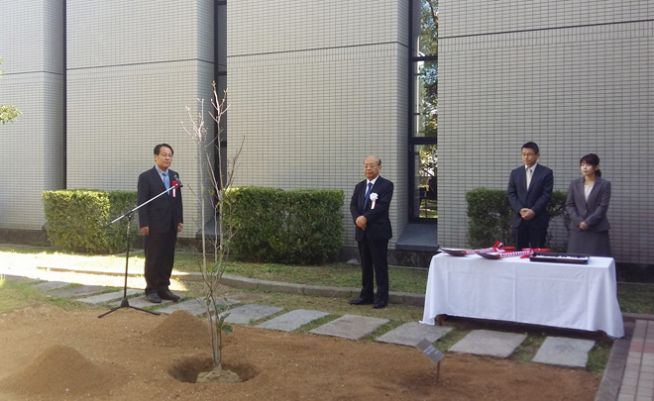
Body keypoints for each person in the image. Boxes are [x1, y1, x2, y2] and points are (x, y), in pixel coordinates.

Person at [137, 144, 184, 303]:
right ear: (155, 157)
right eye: (164, 155)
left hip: (171, 224)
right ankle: (151, 289)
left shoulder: (174, 176)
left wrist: (179, 220)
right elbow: (142, 202)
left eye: (170, 155)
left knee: (167, 257)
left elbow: (177, 200)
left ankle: (164, 288)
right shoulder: (146, 177)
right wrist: (144, 223)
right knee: (154, 257)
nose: (167, 158)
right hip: (154, 225)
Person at [349, 155, 394, 309]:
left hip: (378, 232)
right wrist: (357, 219)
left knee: (379, 265)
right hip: (362, 232)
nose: (368, 168)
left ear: (379, 167)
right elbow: (353, 205)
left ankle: (381, 298)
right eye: (366, 165)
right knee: (365, 266)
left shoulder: (386, 185)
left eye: (372, 165)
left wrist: (365, 218)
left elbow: (382, 206)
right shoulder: (359, 186)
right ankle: (366, 295)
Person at [507, 142, 554, 249]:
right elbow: (511, 193)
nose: (526, 157)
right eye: (523, 154)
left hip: (538, 219)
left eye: (529, 154)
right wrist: (520, 209)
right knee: (518, 253)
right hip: (519, 220)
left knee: (537, 252)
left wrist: (533, 211)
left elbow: (546, 195)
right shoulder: (515, 173)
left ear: (537, 155)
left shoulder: (546, 173)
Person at [565, 153, 611, 256]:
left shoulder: (605, 184)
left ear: (596, 167)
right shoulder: (574, 184)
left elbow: (602, 207)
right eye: (582, 164)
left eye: (588, 164)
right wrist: (579, 221)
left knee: (597, 260)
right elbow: (569, 204)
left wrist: (588, 222)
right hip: (577, 229)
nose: (584, 167)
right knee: (575, 260)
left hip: (597, 229)